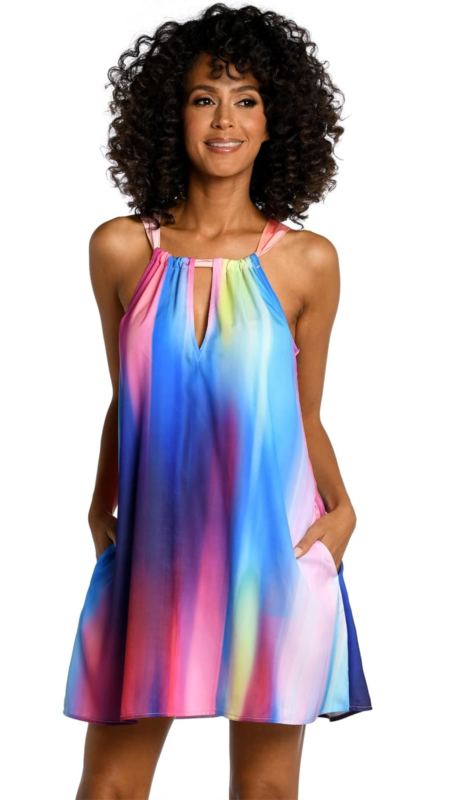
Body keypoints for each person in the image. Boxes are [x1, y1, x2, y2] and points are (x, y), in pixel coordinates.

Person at [63, 4, 371, 798]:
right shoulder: (121, 250)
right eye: (205, 98)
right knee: (110, 785)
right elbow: (126, 401)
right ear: (174, 115)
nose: (225, 119)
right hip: (156, 550)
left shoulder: (307, 262)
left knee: (265, 791)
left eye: (246, 99)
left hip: (270, 554)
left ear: (276, 121)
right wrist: (98, 506)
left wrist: (344, 512)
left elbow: (303, 416)